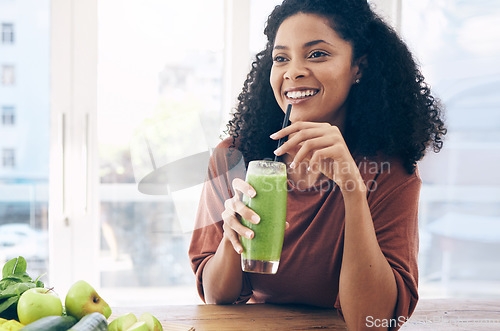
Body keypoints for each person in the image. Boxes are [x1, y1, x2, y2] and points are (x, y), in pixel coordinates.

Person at [189, 0, 446, 330]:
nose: (292, 71)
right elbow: (216, 298)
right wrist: (232, 237)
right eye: (281, 58)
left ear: (359, 67)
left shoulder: (389, 170)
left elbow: (373, 321)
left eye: (317, 54)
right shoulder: (234, 158)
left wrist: (353, 189)